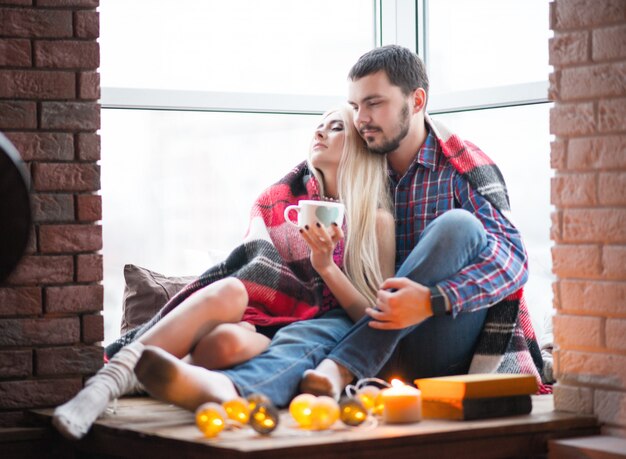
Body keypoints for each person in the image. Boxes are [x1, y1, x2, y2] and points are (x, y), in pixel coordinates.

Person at [125, 44, 544, 416]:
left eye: (374, 103)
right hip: (372, 341)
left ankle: (339, 366)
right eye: (355, 106)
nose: (362, 119)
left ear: (416, 101)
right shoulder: (362, 175)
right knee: (322, 325)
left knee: (457, 226)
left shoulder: (459, 169)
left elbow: (512, 259)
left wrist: (431, 300)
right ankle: (227, 389)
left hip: (439, 341)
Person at [52, 105, 395, 440]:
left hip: (302, 332)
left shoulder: (375, 221)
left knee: (223, 344)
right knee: (230, 290)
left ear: (362, 147)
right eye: (319, 125)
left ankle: (148, 374)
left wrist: (325, 266)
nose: (320, 131)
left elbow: (368, 320)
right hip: (261, 309)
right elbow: (254, 266)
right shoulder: (280, 200)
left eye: (336, 127)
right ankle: (107, 383)